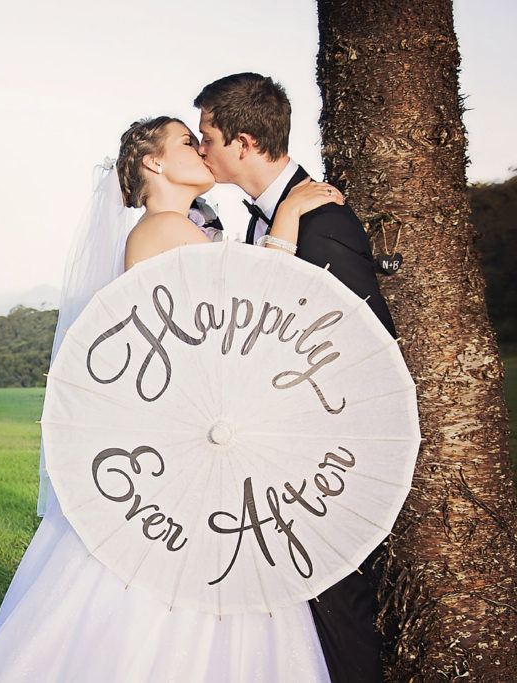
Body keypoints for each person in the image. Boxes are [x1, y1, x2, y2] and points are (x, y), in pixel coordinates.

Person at [0, 116, 343, 683]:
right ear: (154, 164)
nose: (203, 151)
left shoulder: (176, 230)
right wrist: (286, 219)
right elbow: (255, 323)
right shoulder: (164, 230)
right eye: (188, 141)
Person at [193, 72, 396, 683]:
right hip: (273, 449)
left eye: (207, 136)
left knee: (338, 606)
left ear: (245, 142)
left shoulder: (321, 220)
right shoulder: (273, 219)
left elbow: (359, 351)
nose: (202, 149)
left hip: (324, 458)